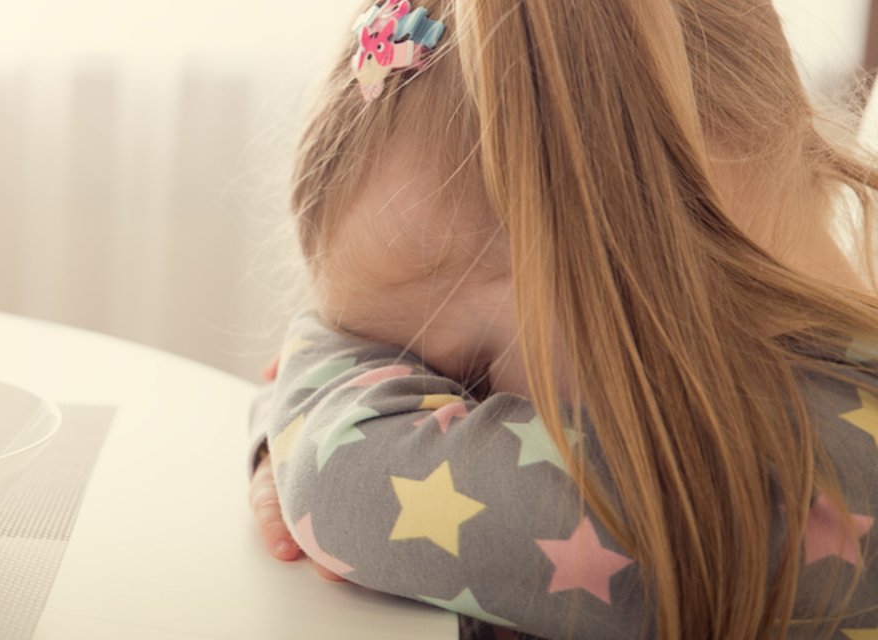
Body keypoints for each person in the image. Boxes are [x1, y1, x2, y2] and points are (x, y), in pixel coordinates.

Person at [245, 1, 878, 638]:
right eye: (405, 371)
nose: (437, 413)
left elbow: (341, 479)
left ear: (637, 240)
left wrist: (311, 388)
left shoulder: (806, 478)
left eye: (464, 374)